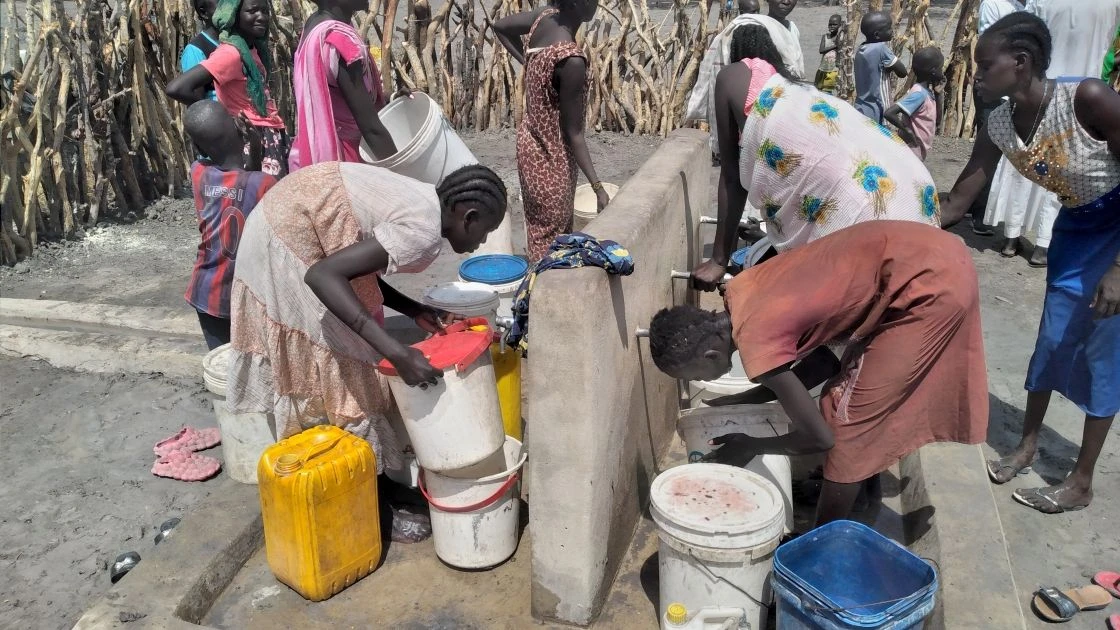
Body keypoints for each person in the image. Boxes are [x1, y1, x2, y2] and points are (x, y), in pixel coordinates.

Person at [227, 162, 509, 540]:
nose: (480, 242)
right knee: (351, 372)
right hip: (284, 245)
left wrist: (414, 310)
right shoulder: (424, 231)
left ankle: (376, 484)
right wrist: (396, 352)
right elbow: (323, 275)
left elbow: (358, 267)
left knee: (356, 360)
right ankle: (370, 506)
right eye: (483, 232)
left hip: (290, 220)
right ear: (468, 216)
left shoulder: (427, 202)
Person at [650, 221, 989, 526]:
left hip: (929, 289)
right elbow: (824, 359)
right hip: (927, 249)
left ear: (710, 354)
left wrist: (751, 445)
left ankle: (818, 543)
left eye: (696, 374)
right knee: (844, 391)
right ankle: (849, 490)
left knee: (848, 423)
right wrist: (743, 402)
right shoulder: (742, 290)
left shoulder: (755, 340)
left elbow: (820, 438)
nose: (701, 381)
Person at [939, 12, 1120, 513]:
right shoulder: (999, 121)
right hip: (1074, 230)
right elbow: (959, 199)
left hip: (1116, 232)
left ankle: (1081, 481)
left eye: (983, 65)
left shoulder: (1087, 98)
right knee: (1051, 341)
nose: (975, 74)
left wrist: (1119, 270)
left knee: (1103, 354)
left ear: (1020, 63)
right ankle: (1027, 444)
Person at [690, 24, 940, 291]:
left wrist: (718, 259)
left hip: (859, 215)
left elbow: (731, 176)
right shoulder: (797, 91)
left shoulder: (734, 75)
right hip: (914, 193)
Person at [493, 0, 608, 261]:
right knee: (552, 249)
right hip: (552, 164)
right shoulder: (571, 61)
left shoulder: (543, 18)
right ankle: (538, 296)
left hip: (530, 150)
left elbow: (499, 26)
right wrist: (598, 187)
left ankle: (533, 291)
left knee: (538, 235)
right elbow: (574, 134)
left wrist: (529, 63)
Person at [183, 101, 277, 350]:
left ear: (198, 147)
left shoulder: (198, 173)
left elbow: (241, 185)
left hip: (206, 292)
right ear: (239, 131)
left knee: (222, 365)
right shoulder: (265, 184)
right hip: (245, 295)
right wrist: (256, 146)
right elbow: (250, 188)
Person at [166, 0, 290, 177]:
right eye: (253, 11)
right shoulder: (230, 53)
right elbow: (176, 88)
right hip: (252, 137)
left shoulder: (251, 49)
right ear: (233, 16)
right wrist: (223, 119)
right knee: (257, 197)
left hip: (266, 132)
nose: (261, 17)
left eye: (265, 11)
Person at [288, 0, 399, 172]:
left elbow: (337, 98)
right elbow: (371, 129)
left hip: (309, 151)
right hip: (346, 162)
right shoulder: (338, 40)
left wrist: (388, 98)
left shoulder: (314, 25)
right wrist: (404, 173)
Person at [684, 12, 804, 164]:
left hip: (767, 162)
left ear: (733, 48)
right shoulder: (791, 84)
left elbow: (729, 164)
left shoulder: (729, 78)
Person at [884, 47, 944, 161]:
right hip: (911, 152)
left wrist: (938, 94)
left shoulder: (927, 93)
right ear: (934, 71)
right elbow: (889, 113)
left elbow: (938, 121)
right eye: (941, 68)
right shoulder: (919, 94)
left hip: (918, 151)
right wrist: (908, 131)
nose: (942, 71)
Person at [854, 11, 908, 124]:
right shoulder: (881, 49)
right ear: (877, 35)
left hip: (861, 105)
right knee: (881, 135)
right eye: (889, 28)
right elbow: (902, 72)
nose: (892, 31)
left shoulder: (860, 49)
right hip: (879, 106)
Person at [180, 0, 220, 101]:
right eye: (221, 3)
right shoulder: (195, 50)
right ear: (203, 13)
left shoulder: (240, 42)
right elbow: (198, 102)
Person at [815, 14, 842, 95]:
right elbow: (821, 50)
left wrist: (842, 30)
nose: (832, 26)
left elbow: (840, 42)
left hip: (833, 70)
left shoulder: (840, 37)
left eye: (835, 24)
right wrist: (835, 46)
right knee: (817, 89)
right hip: (822, 68)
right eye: (830, 24)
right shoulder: (825, 37)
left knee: (827, 92)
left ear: (840, 25)